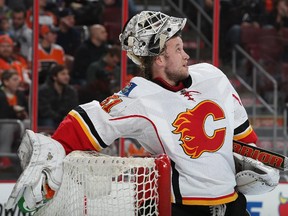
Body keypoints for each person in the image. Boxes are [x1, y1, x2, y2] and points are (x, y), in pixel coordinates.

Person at [6, 11, 279, 216]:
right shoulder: (137, 98)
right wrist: (50, 154)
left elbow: (242, 135)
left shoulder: (213, 76)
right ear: (159, 59)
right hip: (183, 208)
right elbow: (83, 126)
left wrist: (254, 157)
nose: (187, 55)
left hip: (232, 204)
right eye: (178, 49)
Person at [0, 70, 29, 169]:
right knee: (8, 127)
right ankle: (4, 158)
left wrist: (22, 113)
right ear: (6, 81)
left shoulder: (20, 94)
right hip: (3, 122)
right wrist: (13, 110)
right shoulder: (1, 94)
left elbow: (26, 111)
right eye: (15, 79)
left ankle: (29, 157)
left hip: (18, 122)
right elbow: (3, 114)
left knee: (30, 124)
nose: (18, 82)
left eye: (18, 79)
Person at [38, 64, 78, 130]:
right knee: (49, 122)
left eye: (67, 74)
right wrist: (60, 117)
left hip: (64, 118)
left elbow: (73, 107)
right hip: (48, 118)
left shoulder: (71, 91)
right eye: (63, 74)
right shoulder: (44, 90)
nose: (67, 77)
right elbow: (45, 111)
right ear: (54, 77)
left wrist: (66, 117)